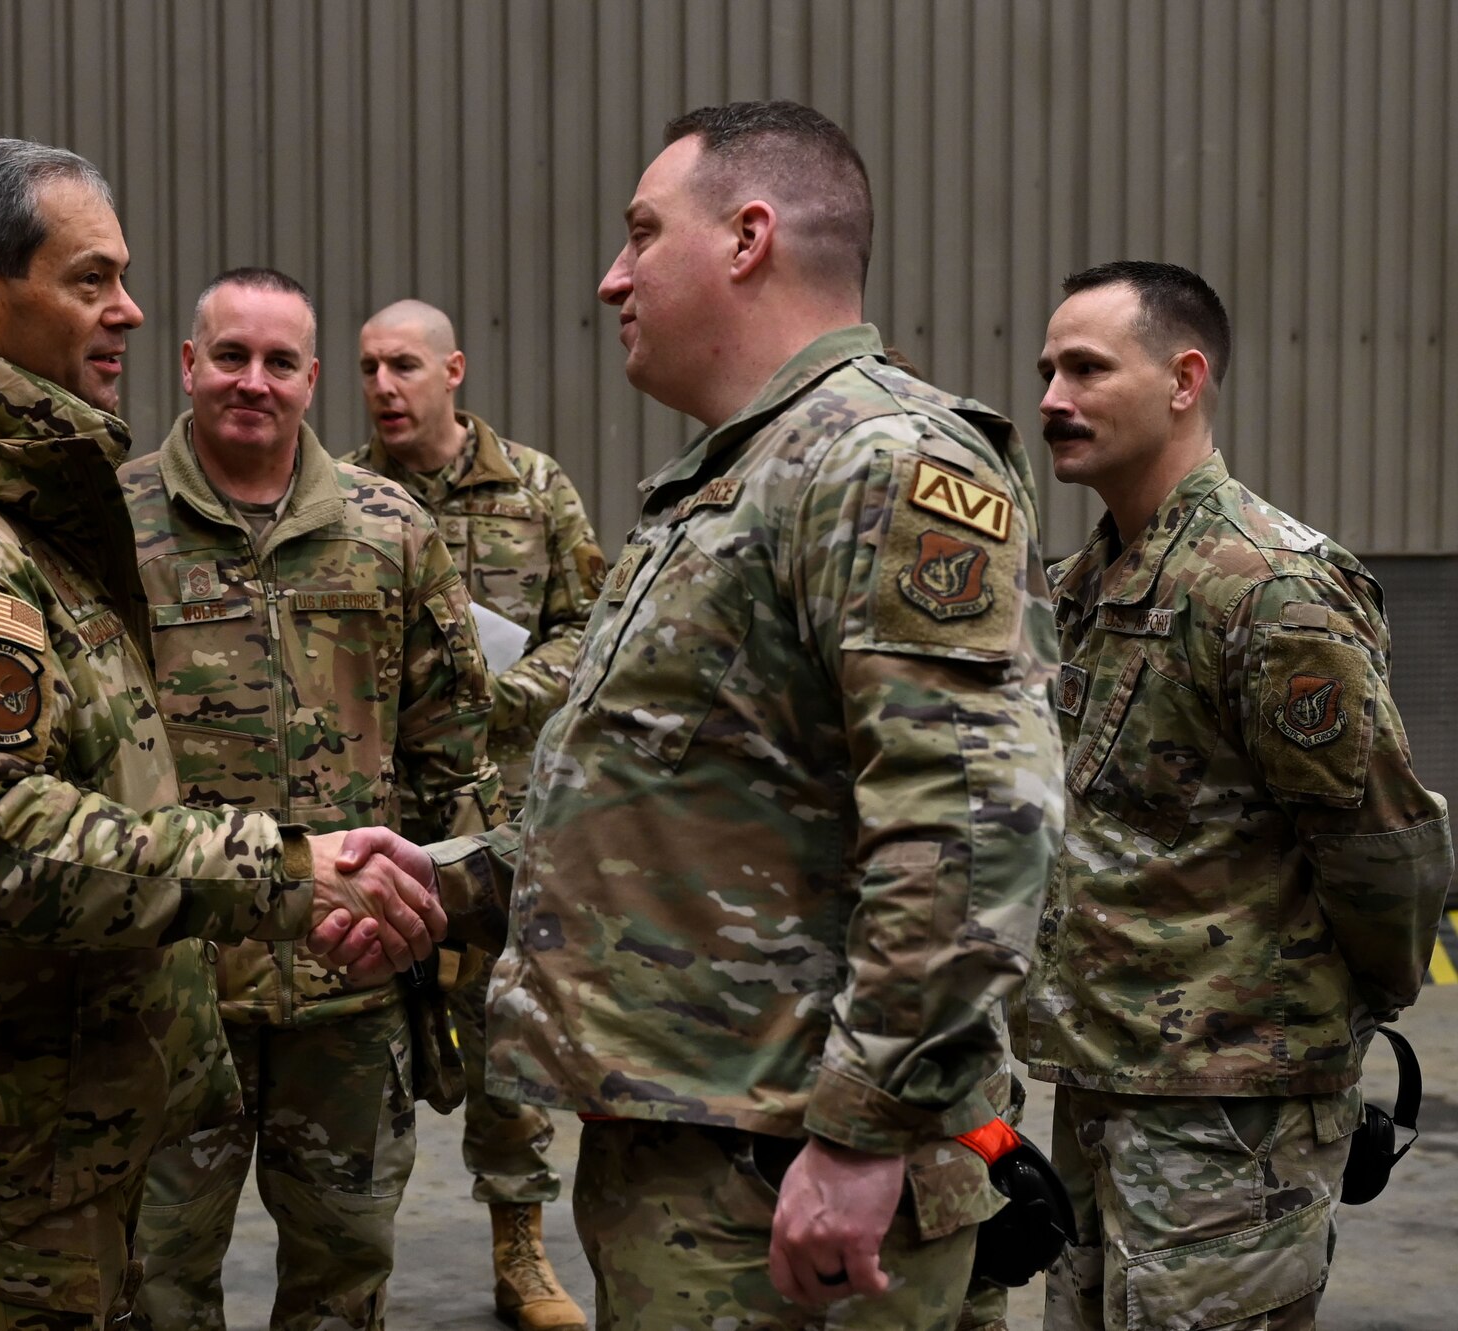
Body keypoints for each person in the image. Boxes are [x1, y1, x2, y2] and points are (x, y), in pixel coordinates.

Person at [355, 99, 1064, 1331]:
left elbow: (972, 822)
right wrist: (453, 878)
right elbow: (667, 801)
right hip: (705, 1161)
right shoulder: (727, 483)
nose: (610, 274)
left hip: (789, 1183)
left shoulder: (880, 462)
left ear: (746, 237)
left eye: (640, 233)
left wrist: (863, 1130)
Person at [0, 140, 443, 1330]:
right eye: (91, 279)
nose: (124, 307)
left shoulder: (22, 517)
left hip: (56, 1149)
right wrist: (284, 865)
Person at [1025, 260, 1453, 1331]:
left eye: (1084, 367)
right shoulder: (1083, 586)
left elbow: (1381, 849)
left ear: (1183, 378)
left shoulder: (1265, 587)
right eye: (1044, 370)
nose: (1049, 398)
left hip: (1229, 1103)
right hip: (1102, 1075)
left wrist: (1326, 1019)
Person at [121, 269, 503, 1331]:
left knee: (344, 1278)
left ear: (311, 378)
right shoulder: (110, 529)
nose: (254, 380)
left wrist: (432, 944)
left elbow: (452, 759)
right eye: (230, 355)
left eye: (280, 360)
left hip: (350, 984)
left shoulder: (389, 530)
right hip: (169, 994)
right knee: (151, 1281)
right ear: (187, 363)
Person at [349, 298, 601, 1331]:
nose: (381, 387)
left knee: (508, 1037)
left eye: (402, 364)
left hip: (496, 814)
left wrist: (506, 696)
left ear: (452, 370)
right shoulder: (339, 491)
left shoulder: (535, 489)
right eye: (365, 367)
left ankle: (519, 1250)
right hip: (377, 814)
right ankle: (348, 1250)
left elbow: (587, 622)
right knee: (364, 1039)